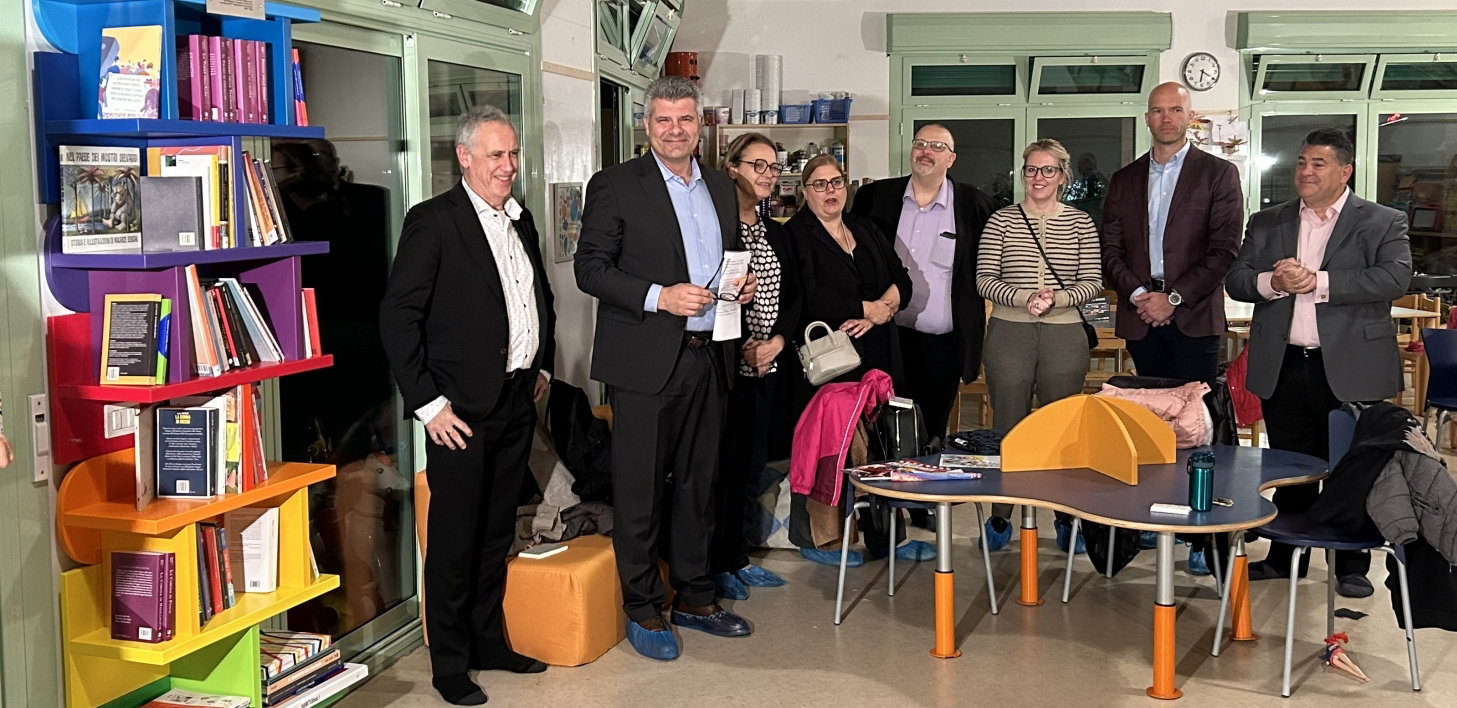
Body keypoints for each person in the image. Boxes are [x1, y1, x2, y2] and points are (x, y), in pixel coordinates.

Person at [574, 76, 758, 661]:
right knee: (640, 491)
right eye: (663, 120)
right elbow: (591, 269)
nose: (675, 130)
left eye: (685, 119)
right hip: (646, 361)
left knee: (700, 487)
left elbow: (724, 261)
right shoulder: (615, 186)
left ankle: (696, 596)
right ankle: (642, 605)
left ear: (700, 123)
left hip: (711, 356)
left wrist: (738, 287)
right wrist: (659, 295)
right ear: (646, 126)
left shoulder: (725, 190)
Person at [378, 105, 555, 706]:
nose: (508, 166)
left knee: (494, 533)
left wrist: (541, 364)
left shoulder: (520, 221)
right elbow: (398, 319)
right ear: (464, 158)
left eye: (512, 154)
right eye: (495, 156)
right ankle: (449, 662)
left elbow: (537, 298)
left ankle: (488, 643)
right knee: (454, 539)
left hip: (514, 399)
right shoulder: (434, 221)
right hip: (459, 411)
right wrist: (428, 404)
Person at [1226, 128, 1411, 598]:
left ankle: (1351, 563)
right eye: (1302, 162)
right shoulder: (1268, 221)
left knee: (1353, 466)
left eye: (1318, 164)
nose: (1305, 172)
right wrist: (1275, 281)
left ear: (1344, 171)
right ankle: (1288, 556)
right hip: (1284, 363)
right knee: (1293, 467)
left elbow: (1394, 277)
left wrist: (1319, 282)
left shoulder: (1382, 221)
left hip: (1352, 365)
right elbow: (1239, 280)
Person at [785, 154, 932, 565]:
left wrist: (884, 308)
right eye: (819, 184)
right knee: (831, 452)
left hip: (881, 355)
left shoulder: (865, 228)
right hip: (831, 362)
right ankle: (819, 540)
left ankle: (887, 539)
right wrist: (863, 307)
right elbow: (804, 295)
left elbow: (900, 278)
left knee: (886, 448)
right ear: (805, 191)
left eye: (836, 182)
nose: (830, 191)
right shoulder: (795, 235)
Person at [976, 139, 1101, 554]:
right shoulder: (1001, 221)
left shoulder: (1081, 223)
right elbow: (983, 279)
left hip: (1064, 335)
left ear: (1063, 176)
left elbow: (1093, 281)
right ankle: (1001, 516)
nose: (1038, 178)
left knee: (1061, 430)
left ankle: (1065, 517)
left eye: (1048, 170)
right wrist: (1021, 298)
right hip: (1009, 333)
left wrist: (1057, 299)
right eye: (1031, 169)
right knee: (1007, 427)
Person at [849, 123, 997, 445]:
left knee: (930, 433)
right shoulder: (875, 198)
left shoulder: (975, 206)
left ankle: (924, 493)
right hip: (886, 339)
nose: (926, 151)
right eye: (920, 143)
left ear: (951, 158)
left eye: (937, 146)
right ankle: (883, 492)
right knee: (881, 429)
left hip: (942, 345)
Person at [1101, 82, 1243, 384]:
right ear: (1147, 118)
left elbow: (1225, 250)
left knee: (1193, 421)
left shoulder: (1218, 174)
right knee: (1150, 419)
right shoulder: (1124, 179)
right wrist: (1141, 296)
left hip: (1195, 316)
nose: (1166, 118)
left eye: (1175, 110)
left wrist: (1174, 299)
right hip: (1141, 316)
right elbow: (1111, 250)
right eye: (1158, 110)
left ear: (1189, 116)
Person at [712, 132, 798, 601]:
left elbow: (794, 296)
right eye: (757, 166)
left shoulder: (777, 232)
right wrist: (746, 344)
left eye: (772, 166)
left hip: (769, 366)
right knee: (721, 470)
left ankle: (739, 557)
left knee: (750, 467)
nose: (767, 174)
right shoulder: (718, 230)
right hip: (728, 368)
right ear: (732, 169)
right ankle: (718, 561)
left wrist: (777, 341)